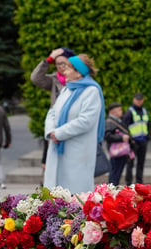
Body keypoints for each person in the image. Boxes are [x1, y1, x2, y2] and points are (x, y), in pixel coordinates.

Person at [44, 54, 105, 194]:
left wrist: (59, 133)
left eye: (68, 69)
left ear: (78, 73)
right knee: (56, 195)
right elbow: (52, 112)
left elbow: (86, 121)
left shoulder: (91, 91)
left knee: (76, 195)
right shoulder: (67, 89)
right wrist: (51, 131)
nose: (64, 71)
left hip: (78, 154)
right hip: (58, 148)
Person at [31, 47, 76, 171]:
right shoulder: (53, 80)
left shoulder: (79, 80)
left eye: (63, 63)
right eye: (57, 64)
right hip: (56, 123)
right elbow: (36, 78)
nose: (60, 67)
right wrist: (48, 60)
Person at [123, 93, 150, 185]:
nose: (139, 101)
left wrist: (147, 137)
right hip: (133, 142)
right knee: (130, 163)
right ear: (133, 100)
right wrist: (130, 139)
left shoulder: (145, 111)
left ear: (143, 100)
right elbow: (124, 127)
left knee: (141, 163)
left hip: (143, 141)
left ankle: (139, 182)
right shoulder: (129, 112)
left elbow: (147, 125)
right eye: (137, 99)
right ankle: (129, 183)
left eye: (140, 100)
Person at [105, 102, 131, 186]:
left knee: (117, 172)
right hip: (117, 152)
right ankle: (112, 190)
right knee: (115, 173)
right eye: (119, 110)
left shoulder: (117, 121)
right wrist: (121, 138)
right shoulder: (110, 122)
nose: (121, 111)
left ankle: (113, 189)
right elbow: (108, 136)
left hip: (120, 151)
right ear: (113, 111)